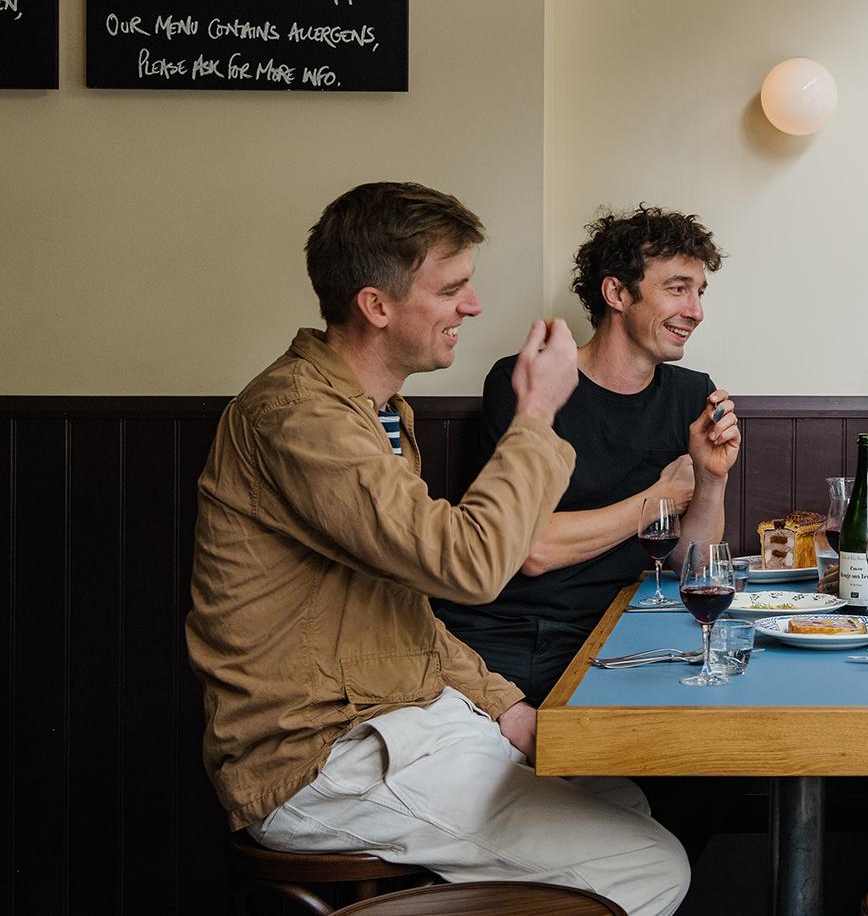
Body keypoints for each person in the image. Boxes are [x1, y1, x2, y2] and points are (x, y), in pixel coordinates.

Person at [186, 182, 690, 916]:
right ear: (377, 305)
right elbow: (473, 563)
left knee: (624, 799)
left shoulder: (379, 413)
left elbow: (403, 607)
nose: (475, 305)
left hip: (404, 720)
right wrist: (541, 411)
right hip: (320, 758)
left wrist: (506, 705)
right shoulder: (296, 417)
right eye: (452, 288)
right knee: (651, 866)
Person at [435, 205, 740, 704]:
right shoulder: (529, 380)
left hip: (624, 628)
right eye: (677, 288)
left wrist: (711, 480)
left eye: (699, 292)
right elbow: (530, 549)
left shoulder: (692, 395)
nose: (696, 311)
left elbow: (693, 563)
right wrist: (661, 497)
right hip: (514, 635)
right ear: (616, 292)